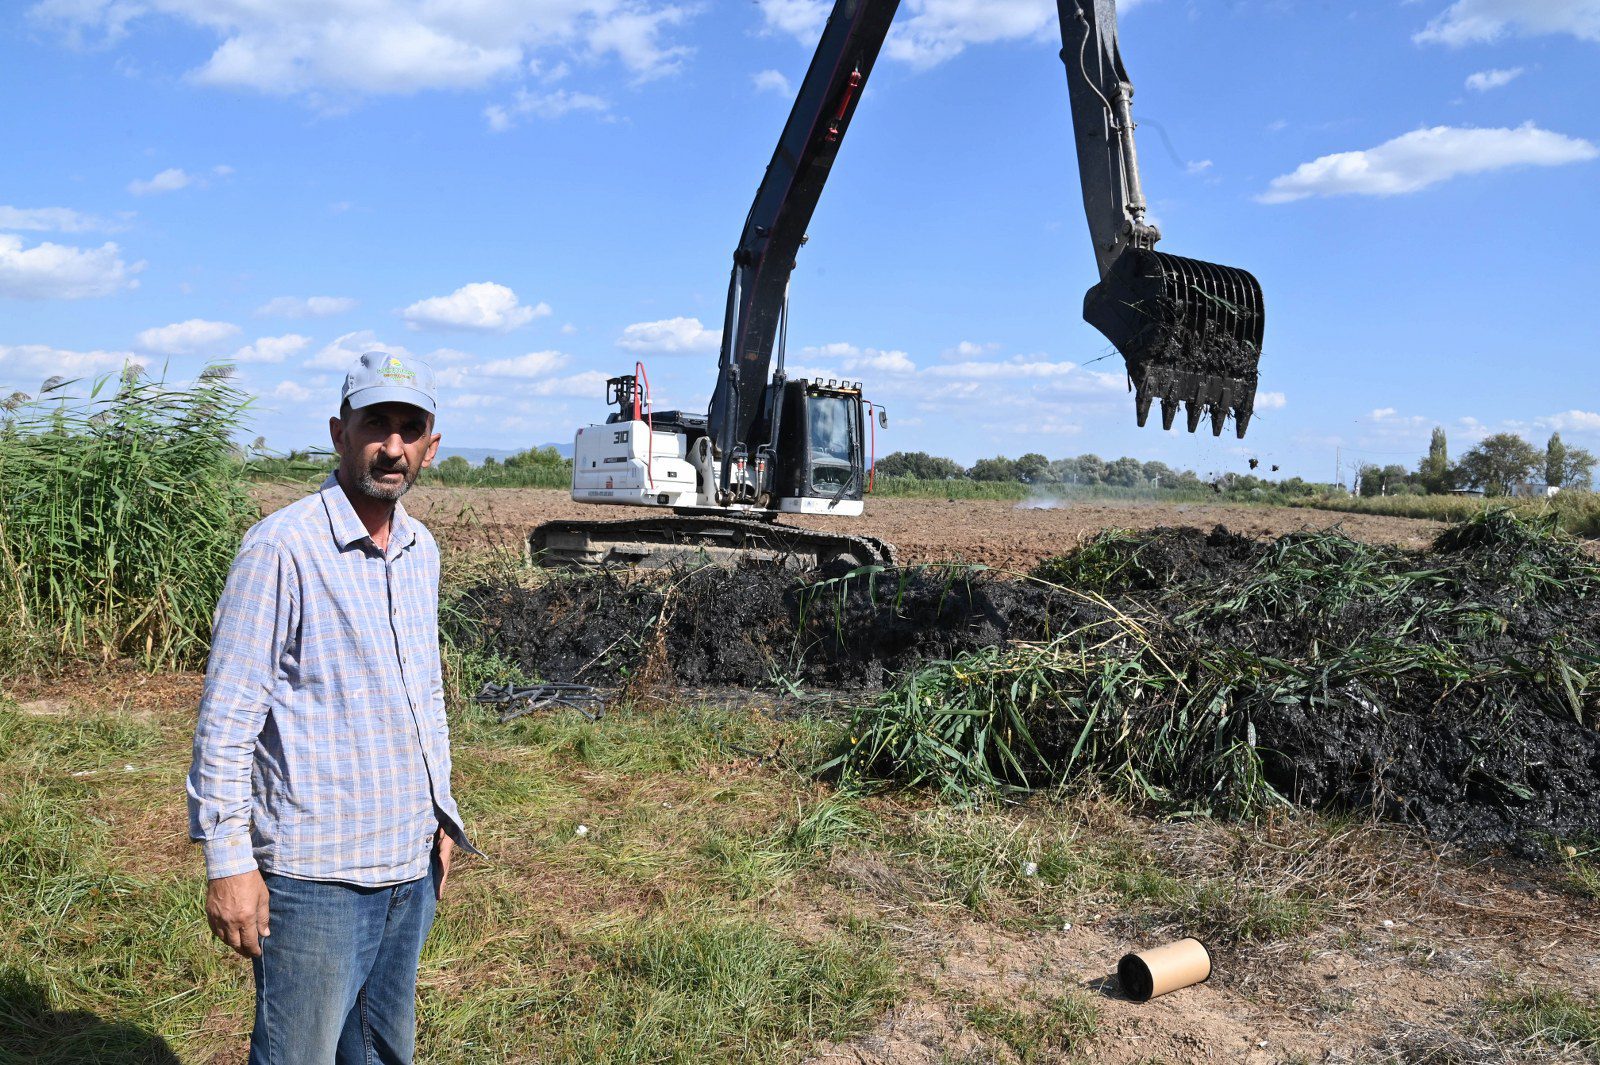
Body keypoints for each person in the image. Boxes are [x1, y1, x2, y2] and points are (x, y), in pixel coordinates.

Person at [187, 352, 478, 1064]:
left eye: (411, 429)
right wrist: (229, 863)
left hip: (408, 869)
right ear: (339, 433)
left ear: (430, 447)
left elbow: (423, 693)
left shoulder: (421, 549)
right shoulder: (281, 549)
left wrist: (441, 814)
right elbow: (227, 719)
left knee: (381, 1052)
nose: (393, 445)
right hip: (315, 879)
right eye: (375, 423)